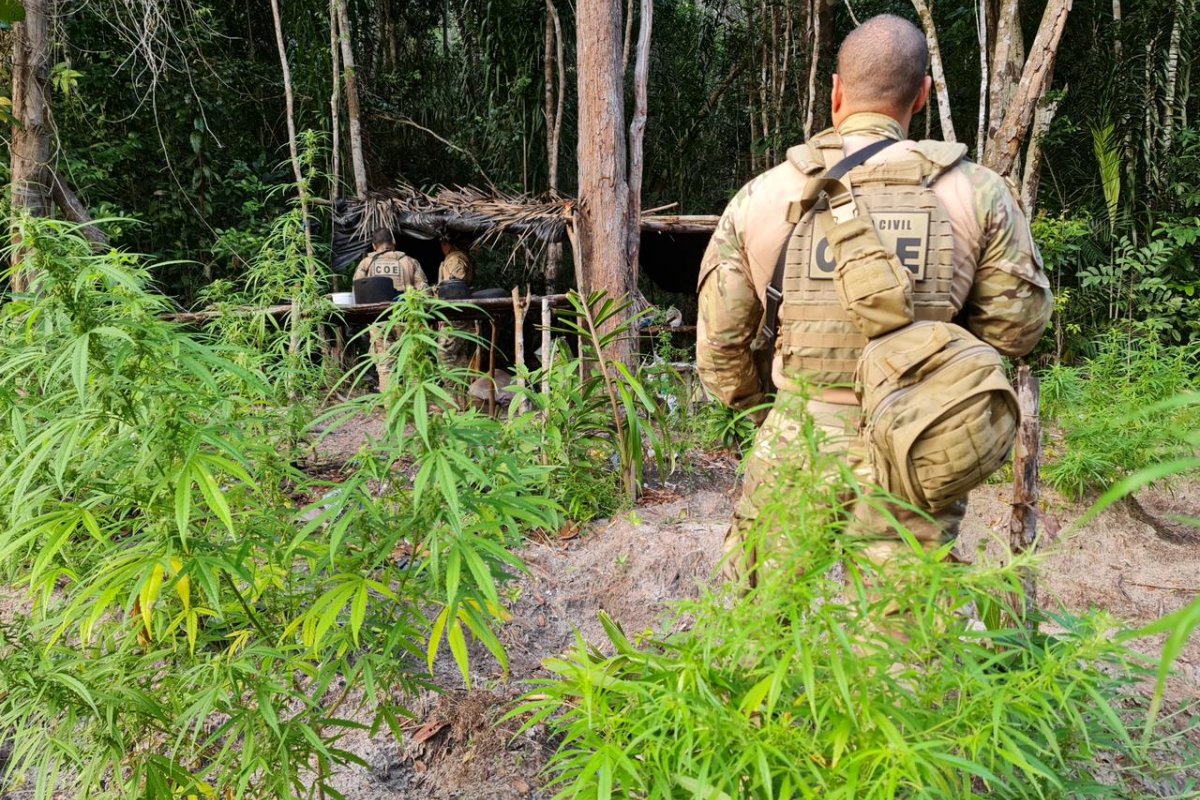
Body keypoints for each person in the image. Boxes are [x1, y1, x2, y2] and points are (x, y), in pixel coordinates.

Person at [696, 14, 1053, 580]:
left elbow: (721, 347)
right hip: (919, 442)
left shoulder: (762, 197)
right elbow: (1016, 330)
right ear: (923, 96)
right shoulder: (976, 192)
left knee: (762, 630)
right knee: (898, 643)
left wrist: (772, 410)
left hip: (799, 439)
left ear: (836, 93)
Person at [353, 228, 429, 392]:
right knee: (412, 359)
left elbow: (357, 290)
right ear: (393, 244)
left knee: (385, 364)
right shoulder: (410, 261)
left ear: (374, 246)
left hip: (380, 320)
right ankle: (414, 403)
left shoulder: (366, 264)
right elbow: (424, 291)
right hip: (407, 318)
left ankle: (390, 406)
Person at [436, 237, 478, 373]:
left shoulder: (455, 259)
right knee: (459, 355)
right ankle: (460, 390)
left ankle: (452, 386)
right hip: (455, 311)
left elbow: (456, 286)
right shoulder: (453, 258)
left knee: (445, 352)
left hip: (456, 311)